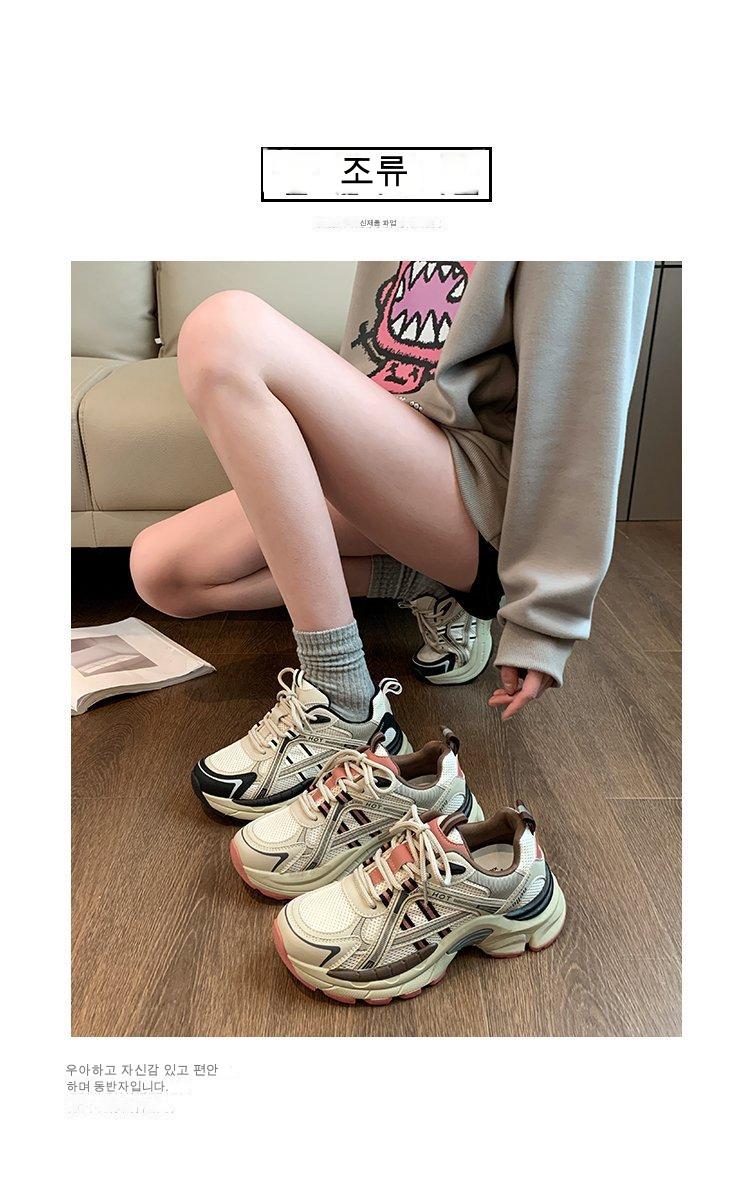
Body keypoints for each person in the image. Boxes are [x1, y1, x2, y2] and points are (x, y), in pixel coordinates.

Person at [130, 260, 653, 821]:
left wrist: (545, 619)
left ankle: (344, 699)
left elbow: (582, 411)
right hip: (398, 454)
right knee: (163, 573)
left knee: (224, 329)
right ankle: (430, 583)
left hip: (484, 488)